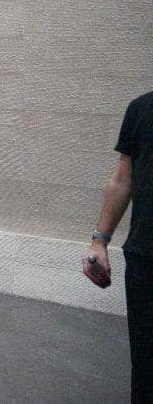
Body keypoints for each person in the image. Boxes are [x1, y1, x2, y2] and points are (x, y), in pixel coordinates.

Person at [83, 90, 152, 401]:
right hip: (145, 258)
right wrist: (99, 241)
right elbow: (123, 179)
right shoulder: (142, 108)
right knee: (146, 367)